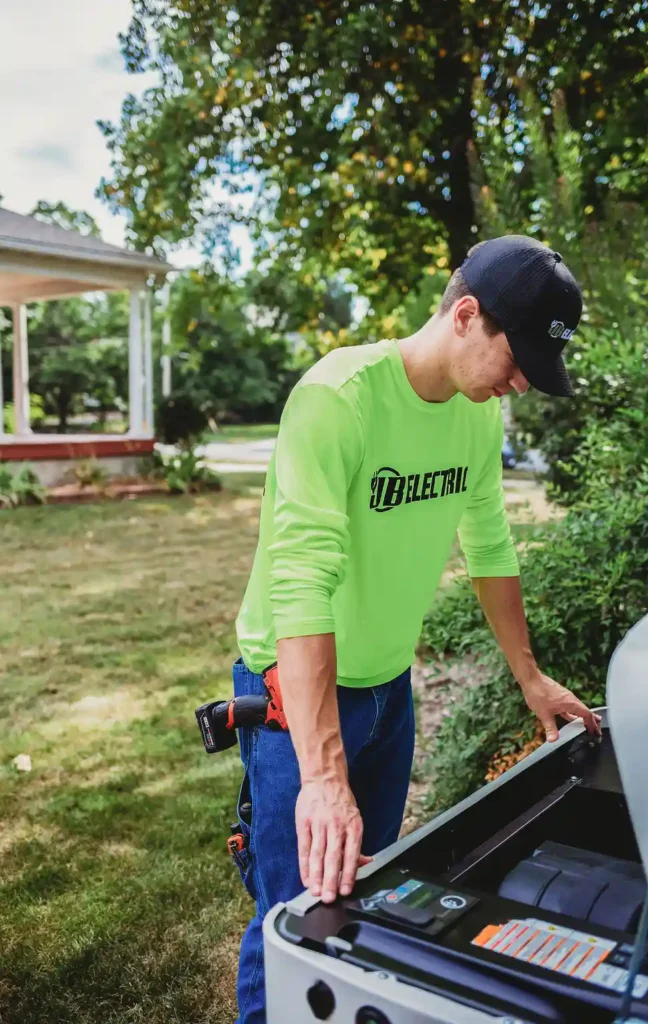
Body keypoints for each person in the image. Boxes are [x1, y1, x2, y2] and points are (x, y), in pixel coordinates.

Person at [231, 234, 602, 1023]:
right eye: (517, 358)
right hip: (293, 702)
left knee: (360, 903)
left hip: (389, 692)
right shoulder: (340, 397)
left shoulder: (472, 414)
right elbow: (301, 580)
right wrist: (323, 775)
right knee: (292, 924)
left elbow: (490, 546)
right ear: (465, 315)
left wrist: (528, 676)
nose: (521, 383)